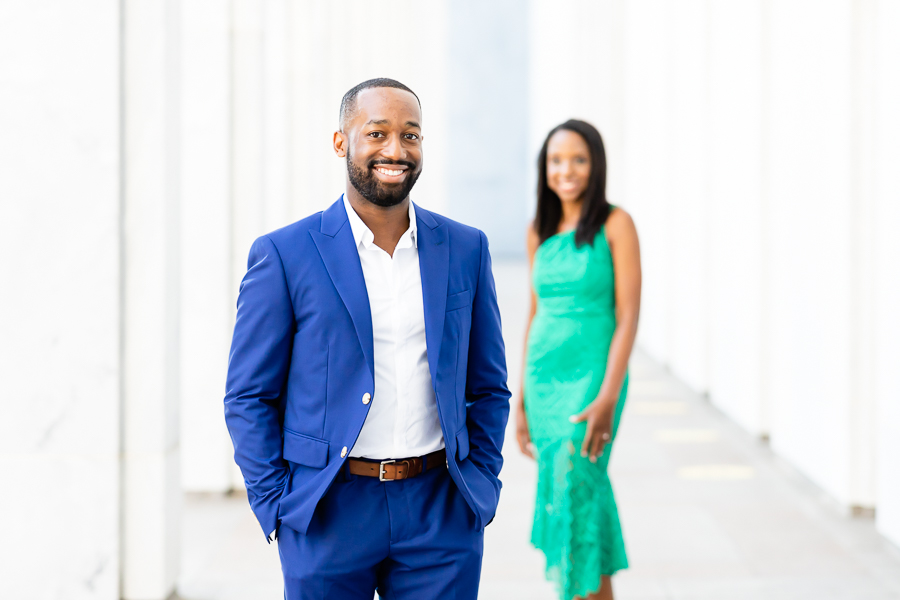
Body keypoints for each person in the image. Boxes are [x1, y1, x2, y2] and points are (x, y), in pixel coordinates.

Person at [224, 78, 510, 599]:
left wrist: (481, 483)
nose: (395, 150)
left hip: (440, 508)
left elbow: (488, 385)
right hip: (328, 510)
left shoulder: (466, 248)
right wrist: (279, 505)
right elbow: (248, 395)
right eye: (376, 133)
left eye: (411, 135)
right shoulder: (286, 254)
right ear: (341, 142)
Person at [516, 120, 641, 600]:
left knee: (577, 480)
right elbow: (533, 314)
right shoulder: (538, 231)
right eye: (556, 160)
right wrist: (521, 401)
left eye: (579, 159)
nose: (566, 170)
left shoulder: (616, 224)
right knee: (572, 498)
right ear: (544, 169)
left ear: (596, 166)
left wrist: (608, 394)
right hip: (544, 379)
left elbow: (628, 316)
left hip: (594, 377)